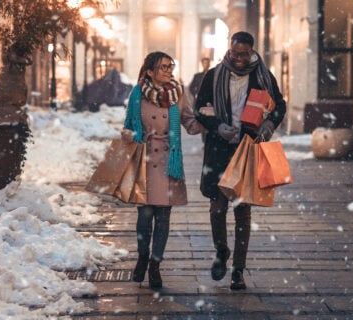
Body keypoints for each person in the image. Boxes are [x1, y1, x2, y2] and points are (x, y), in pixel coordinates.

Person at [192, 31, 287, 290]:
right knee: (217, 209)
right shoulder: (214, 75)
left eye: (244, 54)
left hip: (247, 149)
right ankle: (222, 252)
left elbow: (279, 105)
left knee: (242, 212)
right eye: (235, 54)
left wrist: (268, 124)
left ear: (252, 51)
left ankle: (238, 270)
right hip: (219, 151)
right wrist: (217, 126)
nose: (239, 59)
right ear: (229, 49)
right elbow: (199, 109)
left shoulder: (263, 77)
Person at [121, 51, 205, 290]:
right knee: (145, 215)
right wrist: (130, 134)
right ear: (149, 71)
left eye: (171, 66)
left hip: (169, 160)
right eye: (163, 67)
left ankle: (155, 265)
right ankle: (142, 257)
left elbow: (189, 122)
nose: (169, 70)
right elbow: (128, 125)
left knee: (164, 216)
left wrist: (206, 120)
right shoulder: (138, 93)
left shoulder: (178, 93)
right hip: (145, 159)